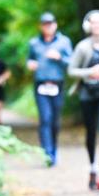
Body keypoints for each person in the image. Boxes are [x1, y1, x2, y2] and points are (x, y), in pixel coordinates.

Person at [69, 9, 99, 190]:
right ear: (88, 26)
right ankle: (92, 168)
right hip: (87, 93)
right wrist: (90, 72)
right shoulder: (82, 47)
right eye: (93, 23)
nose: (96, 26)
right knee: (91, 132)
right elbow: (71, 70)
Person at [27, 12, 73, 166]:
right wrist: (30, 64)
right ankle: (47, 153)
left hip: (57, 84)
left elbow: (72, 63)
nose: (48, 27)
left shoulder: (64, 42)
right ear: (41, 26)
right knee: (45, 118)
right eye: (45, 24)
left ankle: (53, 149)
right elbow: (30, 59)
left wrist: (59, 57)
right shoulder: (34, 43)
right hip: (40, 85)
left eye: (50, 24)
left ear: (55, 25)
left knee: (55, 120)